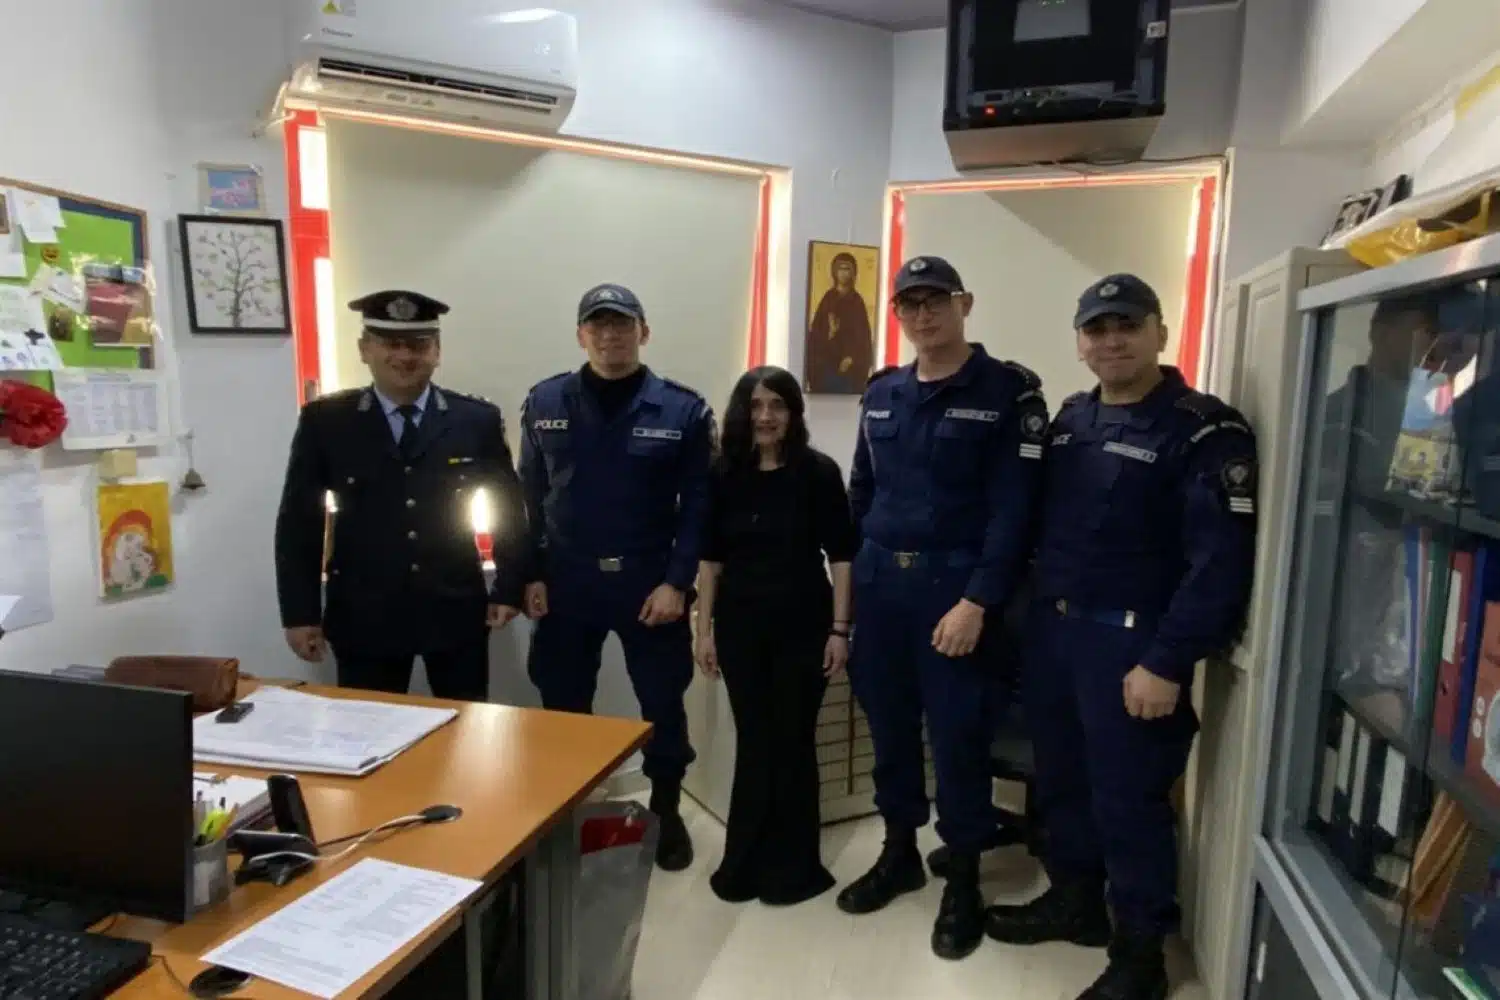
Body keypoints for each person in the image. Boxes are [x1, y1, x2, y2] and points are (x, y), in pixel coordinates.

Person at [986, 274, 1257, 1000]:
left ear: (1160, 331)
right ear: (1080, 342)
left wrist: (1167, 661)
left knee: (1128, 803)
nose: (1112, 341)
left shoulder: (1204, 431)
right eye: (1097, 329)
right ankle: (1075, 901)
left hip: (1132, 650)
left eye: (1127, 325)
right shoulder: (1072, 419)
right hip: (1055, 637)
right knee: (1062, 783)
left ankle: (1140, 957)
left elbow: (1218, 563)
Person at [841, 255, 1047, 960]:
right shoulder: (883, 392)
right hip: (882, 592)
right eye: (910, 304)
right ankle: (899, 851)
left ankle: (963, 880)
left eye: (936, 301)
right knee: (889, 731)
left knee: (958, 741)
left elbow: (1013, 513)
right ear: (897, 314)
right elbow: (861, 490)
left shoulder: (1006, 393)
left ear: (965, 304)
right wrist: (857, 583)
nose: (923, 315)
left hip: (954, 595)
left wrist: (977, 600)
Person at [519, 283, 714, 872]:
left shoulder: (682, 410)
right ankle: (567, 817)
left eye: (622, 324)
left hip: (648, 586)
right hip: (567, 583)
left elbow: (698, 507)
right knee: (563, 709)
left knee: (662, 705)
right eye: (598, 325)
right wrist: (529, 574)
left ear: (643, 332)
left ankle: (667, 811)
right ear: (581, 335)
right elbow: (526, 497)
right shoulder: (545, 400)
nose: (610, 336)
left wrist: (678, 583)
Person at [274, 290, 528, 700]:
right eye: (391, 343)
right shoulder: (328, 421)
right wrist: (300, 614)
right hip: (364, 614)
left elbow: (508, 509)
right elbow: (299, 522)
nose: (405, 356)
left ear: (437, 352)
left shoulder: (474, 420)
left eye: (418, 344)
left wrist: (508, 586)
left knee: (466, 727)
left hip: (454, 610)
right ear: (364, 349)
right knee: (368, 728)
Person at [694, 366, 856, 906]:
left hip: (804, 626)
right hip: (739, 627)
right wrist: (704, 632)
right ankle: (743, 864)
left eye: (778, 405)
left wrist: (840, 630)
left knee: (793, 740)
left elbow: (842, 557)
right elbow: (710, 560)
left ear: (793, 414)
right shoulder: (723, 473)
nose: (766, 416)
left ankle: (795, 869)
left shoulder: (818, 473)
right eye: (756, 405)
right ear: (742, 412)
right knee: (755, 741)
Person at [807, 251, 875, 394]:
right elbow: (816, 333)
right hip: (827, 362)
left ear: (853, 273)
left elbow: (863, 335)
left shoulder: (857, 301)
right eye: (840, 269)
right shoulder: (828, 298)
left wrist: (852, 357)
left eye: (847, 269)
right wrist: (830, 332)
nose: (843, 273)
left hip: (850, 365)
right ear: (834, 272)